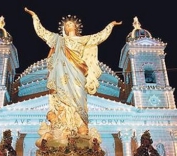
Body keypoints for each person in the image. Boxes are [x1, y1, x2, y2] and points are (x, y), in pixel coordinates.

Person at [24, 7, 122, 135]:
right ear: (64, 28)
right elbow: (42, 32)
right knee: (62, 100)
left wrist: (110, 25)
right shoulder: (59, 40)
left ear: (76, 27)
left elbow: (99, 37)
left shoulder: (83, 40)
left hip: (78, 73)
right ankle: (63, 128)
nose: (69, 25)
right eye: (66, 24)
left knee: (79, 99)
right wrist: (34, 16)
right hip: (61, 75)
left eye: (71, 23)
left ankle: (80, 127)